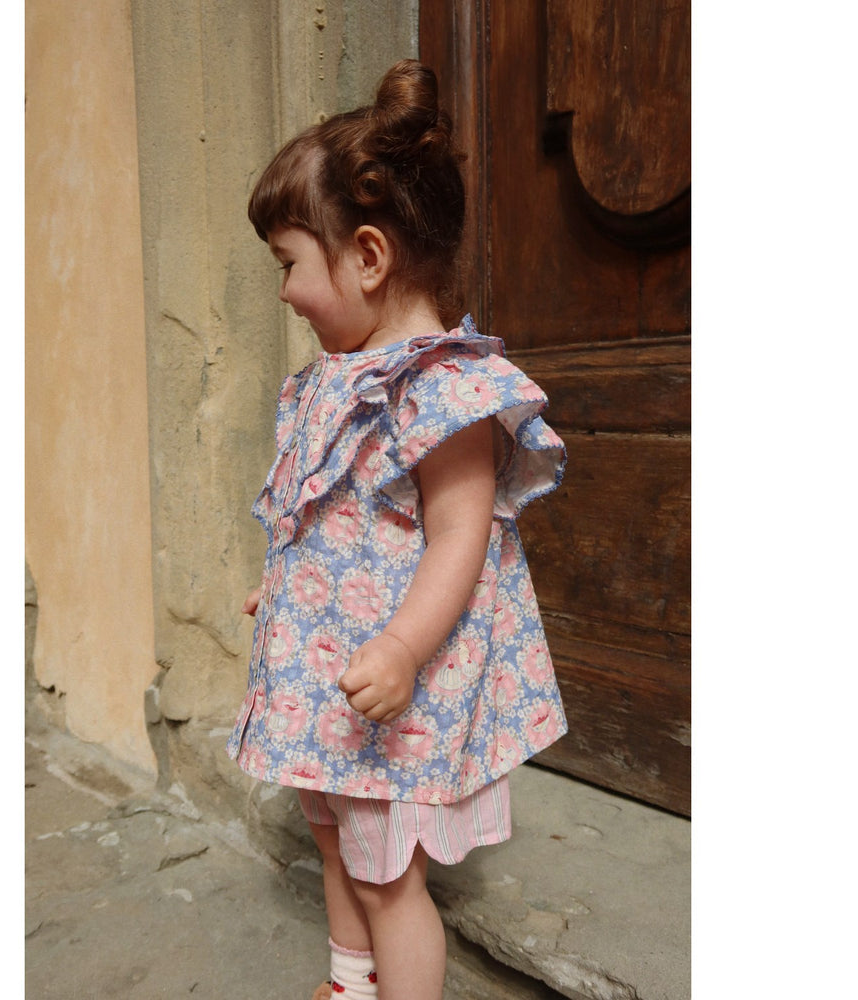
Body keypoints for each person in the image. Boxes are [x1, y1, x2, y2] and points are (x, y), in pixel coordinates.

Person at [226, 59, 567, 1000]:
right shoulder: (333, 381)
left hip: (390, 686)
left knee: (388, 876)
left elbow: (460, 536)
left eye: (290, 265)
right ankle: (351, 982)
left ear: (368, 257)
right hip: (329, 676)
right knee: (336, 840)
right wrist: (288, 584)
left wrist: (406, 648)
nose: (286, 292)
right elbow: (332, 514)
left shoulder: (444, 389)